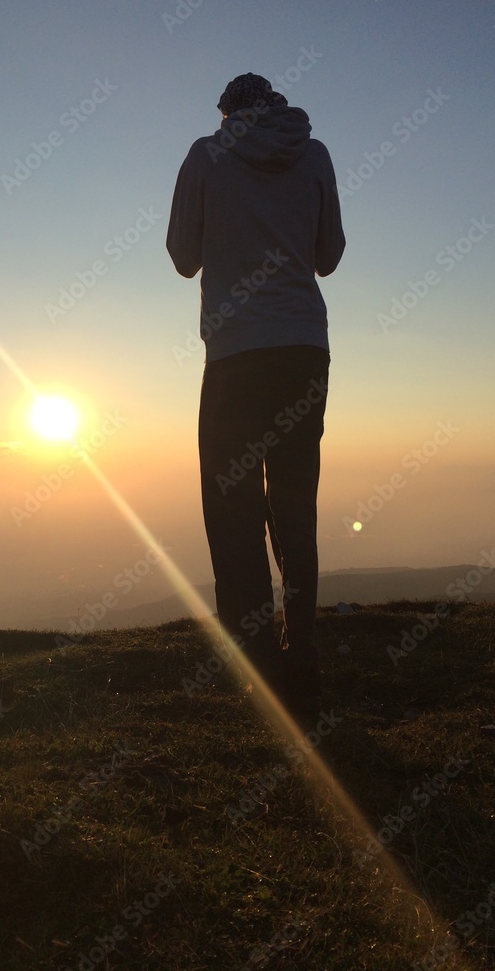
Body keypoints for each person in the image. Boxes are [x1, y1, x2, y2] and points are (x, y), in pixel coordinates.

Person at [166, 73, 345, 712]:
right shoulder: (314, 153)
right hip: (304, 350)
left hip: (237, 354)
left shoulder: (207, 154)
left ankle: (260, 670)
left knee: (233, 505)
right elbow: (329, 255)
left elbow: (183, 256)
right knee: (295, 502)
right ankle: (305, 660)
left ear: (226, 111)